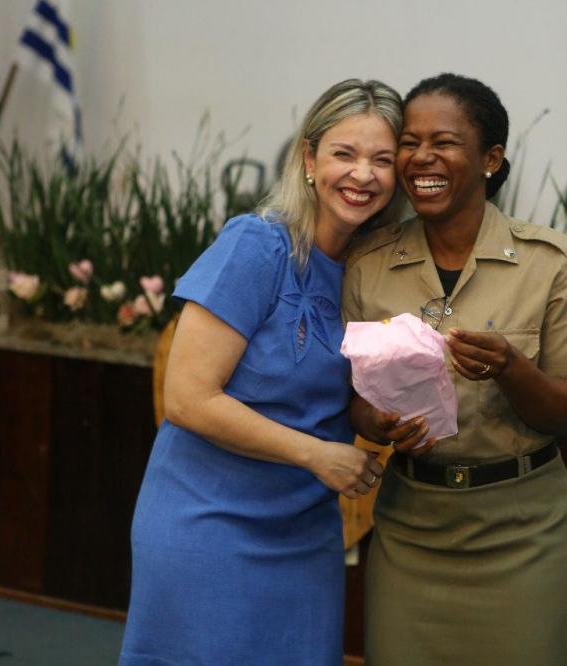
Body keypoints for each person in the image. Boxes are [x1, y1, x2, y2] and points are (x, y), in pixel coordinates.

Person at [118, 78, 430, 666]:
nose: (363, 175)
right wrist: (318, 455)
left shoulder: (375, 275)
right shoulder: (256, 245)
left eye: (382, 160)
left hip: (306, 531)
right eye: (345, 154)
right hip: (208, 523)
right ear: (309, 159)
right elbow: (187, 398)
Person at [344, 73, 567, 665]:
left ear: (491, 158)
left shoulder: (552, 264)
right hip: (411, 530)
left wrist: (511, 368)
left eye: (445, 142)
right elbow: (352, 398)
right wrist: (379, 422)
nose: (421, 158)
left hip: (521, 536)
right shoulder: (368, 263)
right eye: (408, 142)